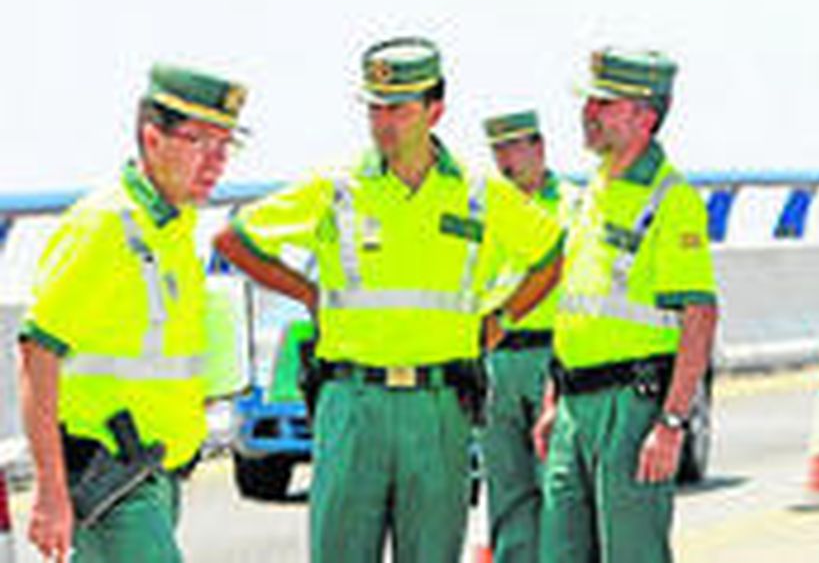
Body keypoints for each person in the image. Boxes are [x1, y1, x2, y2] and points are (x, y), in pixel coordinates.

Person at [213, 36, 564, 562]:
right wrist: (308, 294)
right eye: (374, 108)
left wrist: (505, 318)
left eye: (398, 109)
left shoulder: (477, 193)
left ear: (435, 111)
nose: (383, 122)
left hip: (439, 406)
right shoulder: (338, 188)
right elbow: (232, 239)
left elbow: (553, 252)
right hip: (353, 403)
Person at [18, 64, 248, 562]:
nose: (217, 162)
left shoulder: (174, 226)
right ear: (152, 138)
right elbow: (37, 353)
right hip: (113, 483)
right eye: (200, 142)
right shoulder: (104, 226)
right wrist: (50, 492)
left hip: (157, 476)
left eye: (226, 146)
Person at [534, 48, 718, 563]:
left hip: (631, 409)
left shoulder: (671, 199)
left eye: (605, 102)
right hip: (574, 406)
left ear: (645, 117)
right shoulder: (589, 189)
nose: (588, 112)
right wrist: (553, 403)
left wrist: (672, 424)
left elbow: (699, 317)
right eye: (590, 100)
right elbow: (577, 304)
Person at [478, 108, 573, 562]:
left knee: (557, 486)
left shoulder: (574, 205)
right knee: (507, 489)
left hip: (550, 357)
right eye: (498, 150)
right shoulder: (486, 209)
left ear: (539, 147)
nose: (506, 161)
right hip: (497, 360)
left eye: (514, 148)